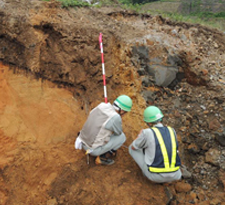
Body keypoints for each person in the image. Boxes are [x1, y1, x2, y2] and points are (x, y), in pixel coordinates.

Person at [129, 106, 182, 183]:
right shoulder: (172, 130)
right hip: (176, 175)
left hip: (156, 177)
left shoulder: (147, 132)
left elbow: (134, 147)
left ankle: (145, 173)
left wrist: (139, 136)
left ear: (149, 122)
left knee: (131, 148)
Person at [75, 95, 132, 165]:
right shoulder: (115, 117)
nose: (124, 114)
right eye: (125, 112)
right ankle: (103, 157)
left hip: (81, 139)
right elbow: (118, 132)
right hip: (92, 149)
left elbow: (91, 114)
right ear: (122, 110)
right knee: (122, 137)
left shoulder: (102, 105)